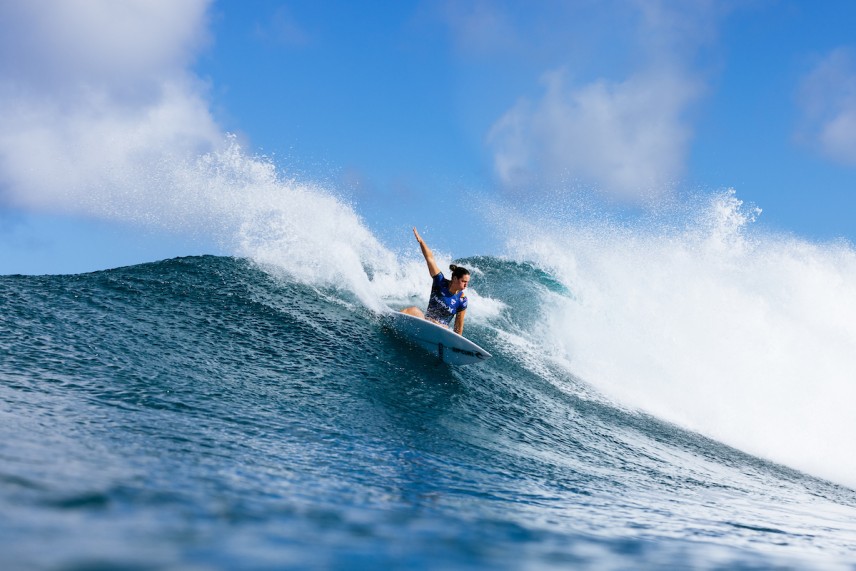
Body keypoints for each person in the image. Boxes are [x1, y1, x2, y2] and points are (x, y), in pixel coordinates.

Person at [401, 227, 470, 335]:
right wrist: (421, 241)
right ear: (455, 279)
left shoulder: (462, 300)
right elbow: (430, 259)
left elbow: (458, 327)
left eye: (467, 282)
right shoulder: (440, 281)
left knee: (442, 325)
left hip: (441, 331)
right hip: (426, 323)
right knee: (413, 310)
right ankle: (390, 320)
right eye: (464, 281)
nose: (466, 284)